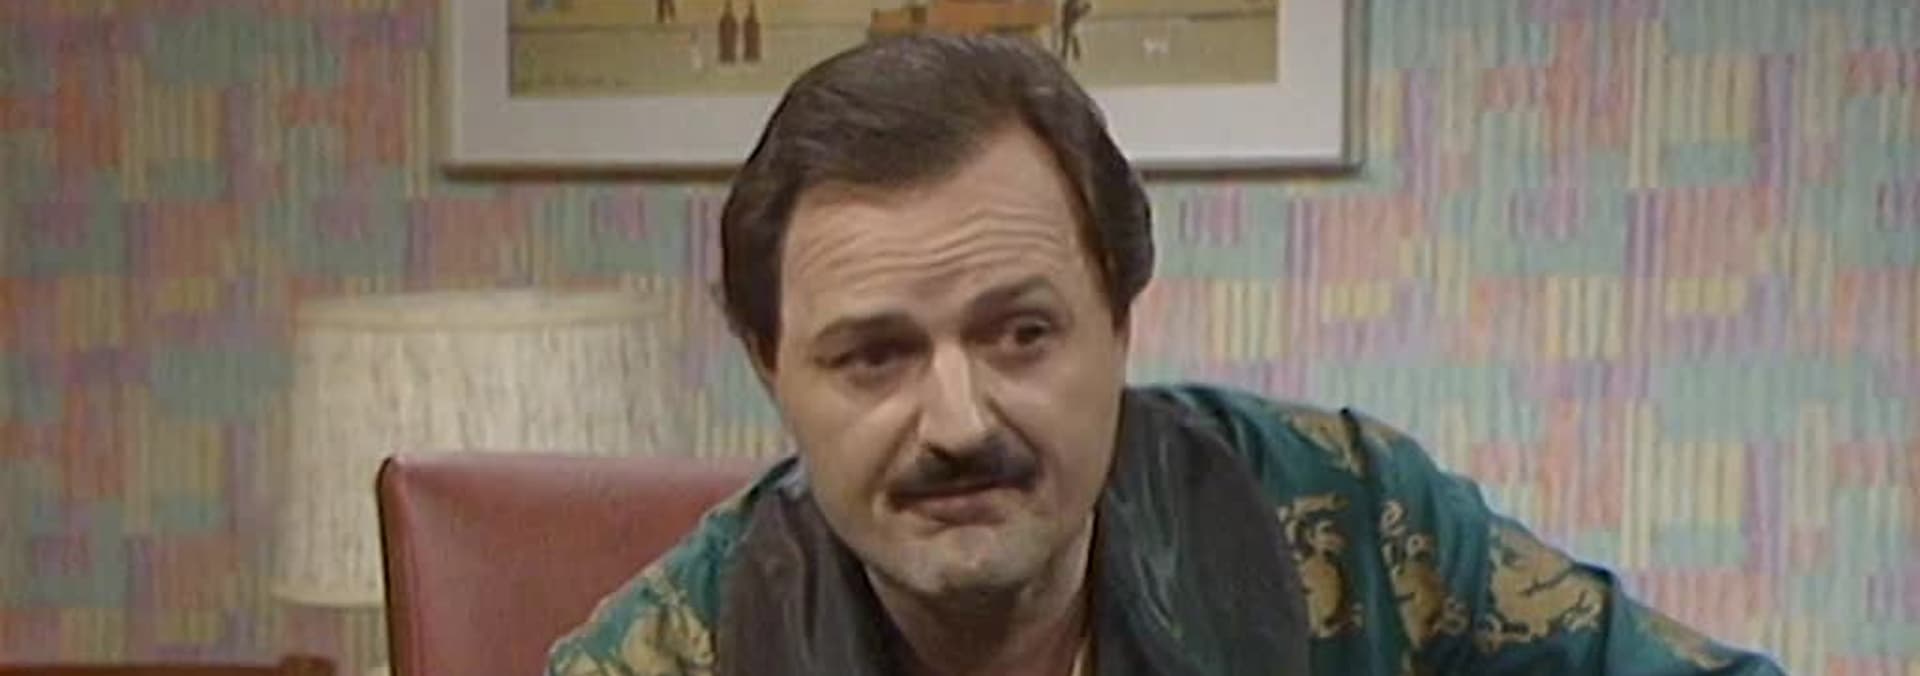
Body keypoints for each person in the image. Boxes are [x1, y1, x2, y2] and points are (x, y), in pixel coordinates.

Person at [547, 35, 1785, 676]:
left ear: (1120, 323)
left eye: (1021, 333)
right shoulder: (668, 655)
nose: (960, 419)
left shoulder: (1355, 525)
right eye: (874, 357)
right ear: (771, 371)